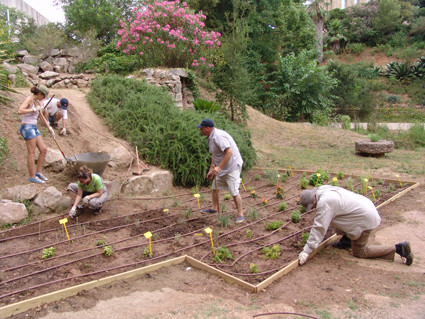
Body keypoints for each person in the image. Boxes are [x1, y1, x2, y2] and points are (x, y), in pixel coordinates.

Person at [297, 185, 414, 266]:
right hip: (363, 206)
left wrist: (307, 251)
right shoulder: (322, 190)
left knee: (360, 252)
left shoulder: (325, 203)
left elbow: (319, 228)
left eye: (311, 206)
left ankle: (399, 248)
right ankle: (347, 240)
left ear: (313, 200)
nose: (312, 209)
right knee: (336, 217)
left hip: (365, 219)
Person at [196, 118, 245, 223]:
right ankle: (213, 209)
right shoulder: (211, 137)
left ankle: (240, 214)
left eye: (202, 128)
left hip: (232, 167)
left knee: (234, 191)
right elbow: (215, 154)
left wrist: (219, 167)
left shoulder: (218, 136)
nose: (200, 130)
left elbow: (229, 152)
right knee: (214, 188)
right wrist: (212, 168)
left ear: (207, 129)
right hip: (222, 167)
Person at [17, 85, 54, 184]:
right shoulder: (29, 99)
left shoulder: (37, 102)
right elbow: (20, 110)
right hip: (27, 127)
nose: (44, 98)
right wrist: (33, 109)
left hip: (34, 127)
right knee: (32, 152)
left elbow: (41, 115)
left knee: (43, 149)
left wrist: (49, 127)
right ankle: (32, 176)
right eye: (44, 95)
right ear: (39, 93)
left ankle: (38, 172)